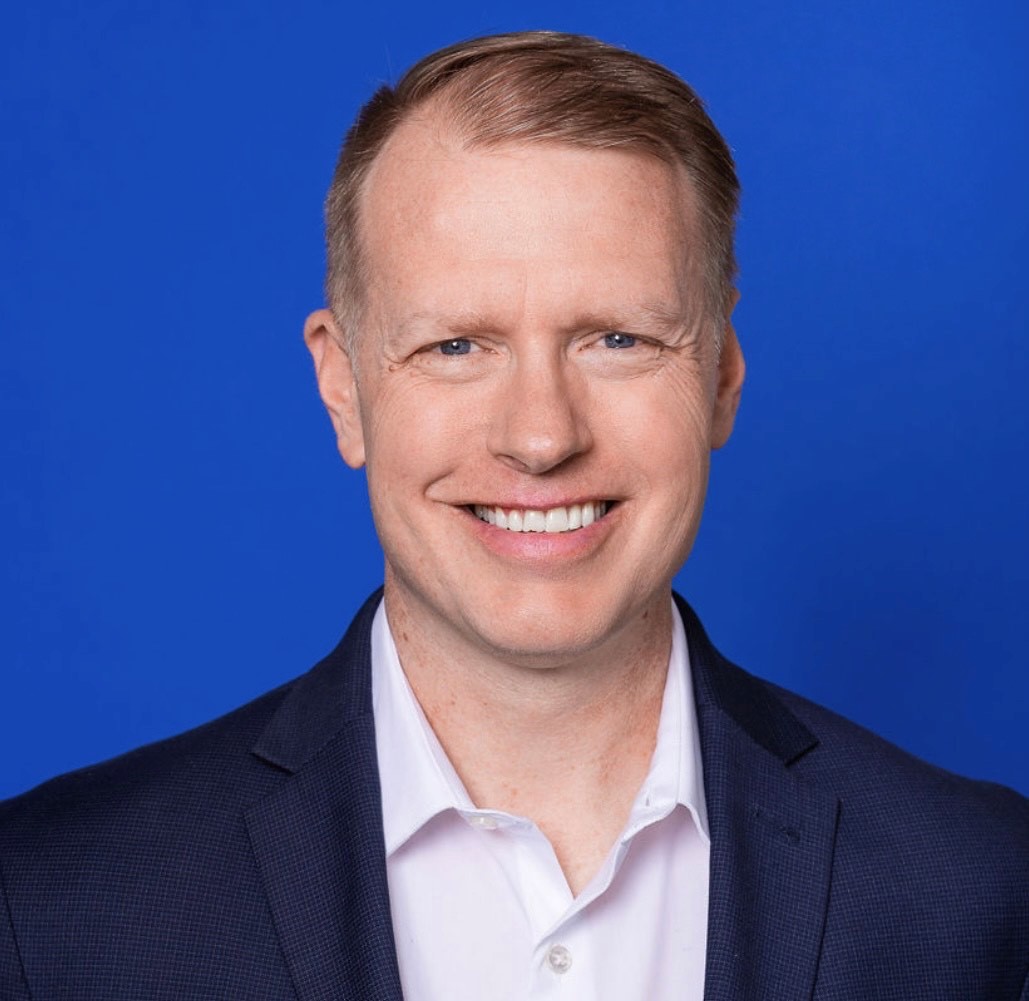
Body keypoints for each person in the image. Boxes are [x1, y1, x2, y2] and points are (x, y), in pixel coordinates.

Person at [1, 30, 1026, 1001]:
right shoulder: (50, 905)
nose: (541, 437)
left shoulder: (984, 894)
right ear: (342, 386)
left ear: (721, 376)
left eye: (617, 339)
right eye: (456, 345)